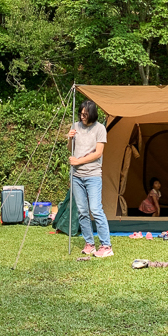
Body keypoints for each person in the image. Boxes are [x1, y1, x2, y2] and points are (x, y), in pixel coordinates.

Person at [67, 99, 113, 258]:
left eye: (85, 114)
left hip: (93, 175)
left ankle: (106, 245)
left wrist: (78, 161)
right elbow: (70, 149)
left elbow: (98, 153)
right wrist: (70, 138)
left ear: (92, 114)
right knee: (82, 211)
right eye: (80, 113)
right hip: (76, 176)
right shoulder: (75, 126)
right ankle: (89, 244)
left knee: (95, 209)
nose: (82, 117)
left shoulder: (100, 128)